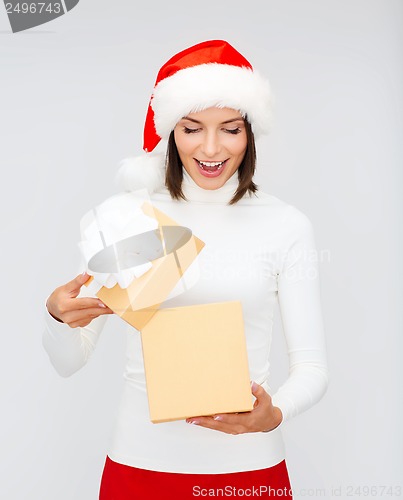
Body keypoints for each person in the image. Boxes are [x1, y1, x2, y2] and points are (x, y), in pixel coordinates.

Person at [43, 40, 329, 499]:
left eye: (230, 129)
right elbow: (68, 361)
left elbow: (312, 366)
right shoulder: (124, 217)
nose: (211, 148)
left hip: (250, 470)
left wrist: (275, 414)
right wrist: (58, 317)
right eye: (192, 128)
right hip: (140, 465)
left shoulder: (285, 224)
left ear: (250, 132)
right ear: (170, 133)